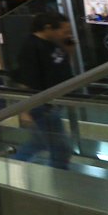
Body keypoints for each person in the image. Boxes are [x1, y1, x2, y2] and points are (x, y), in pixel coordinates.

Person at [11, 11, 74, 169]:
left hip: (52, 103)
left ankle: (14, 167)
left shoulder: (53, 43)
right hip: (41, 105)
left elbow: (64, 63)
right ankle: (58, 180)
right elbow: (25, 80)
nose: (66, 34)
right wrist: (24, 110)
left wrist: (68, 45)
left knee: (40, 143)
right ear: (48, 28)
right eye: (64, 31)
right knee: (60, 148)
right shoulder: (31, 47)